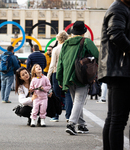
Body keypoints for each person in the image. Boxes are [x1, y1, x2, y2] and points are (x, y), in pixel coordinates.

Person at [56, 21, 99, 135]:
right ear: (83, 32)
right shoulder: (86, 42)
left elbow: (60, 63)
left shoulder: (65, 44)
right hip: (82, 75)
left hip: (67, 76)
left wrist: (60, 78)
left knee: (76, 101)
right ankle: (71, 124)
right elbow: (97, 55)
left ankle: (82, 125)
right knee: (79, 101)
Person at [98, 0, 130, 149]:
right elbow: (116, 34)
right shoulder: (119, 8)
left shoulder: (121, 8)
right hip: (120, 71)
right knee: (117, 119)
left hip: (119, 70)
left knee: (115, 118)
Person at [47, 30, 73, 122]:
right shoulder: (70, 48)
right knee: (69, 94)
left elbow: (52, 64)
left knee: (56, 95)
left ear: (58, 39)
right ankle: (69, 116)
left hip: (57, 73)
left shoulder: (56, 49)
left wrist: (48, 75)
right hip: (68, 73)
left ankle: (55, 116)